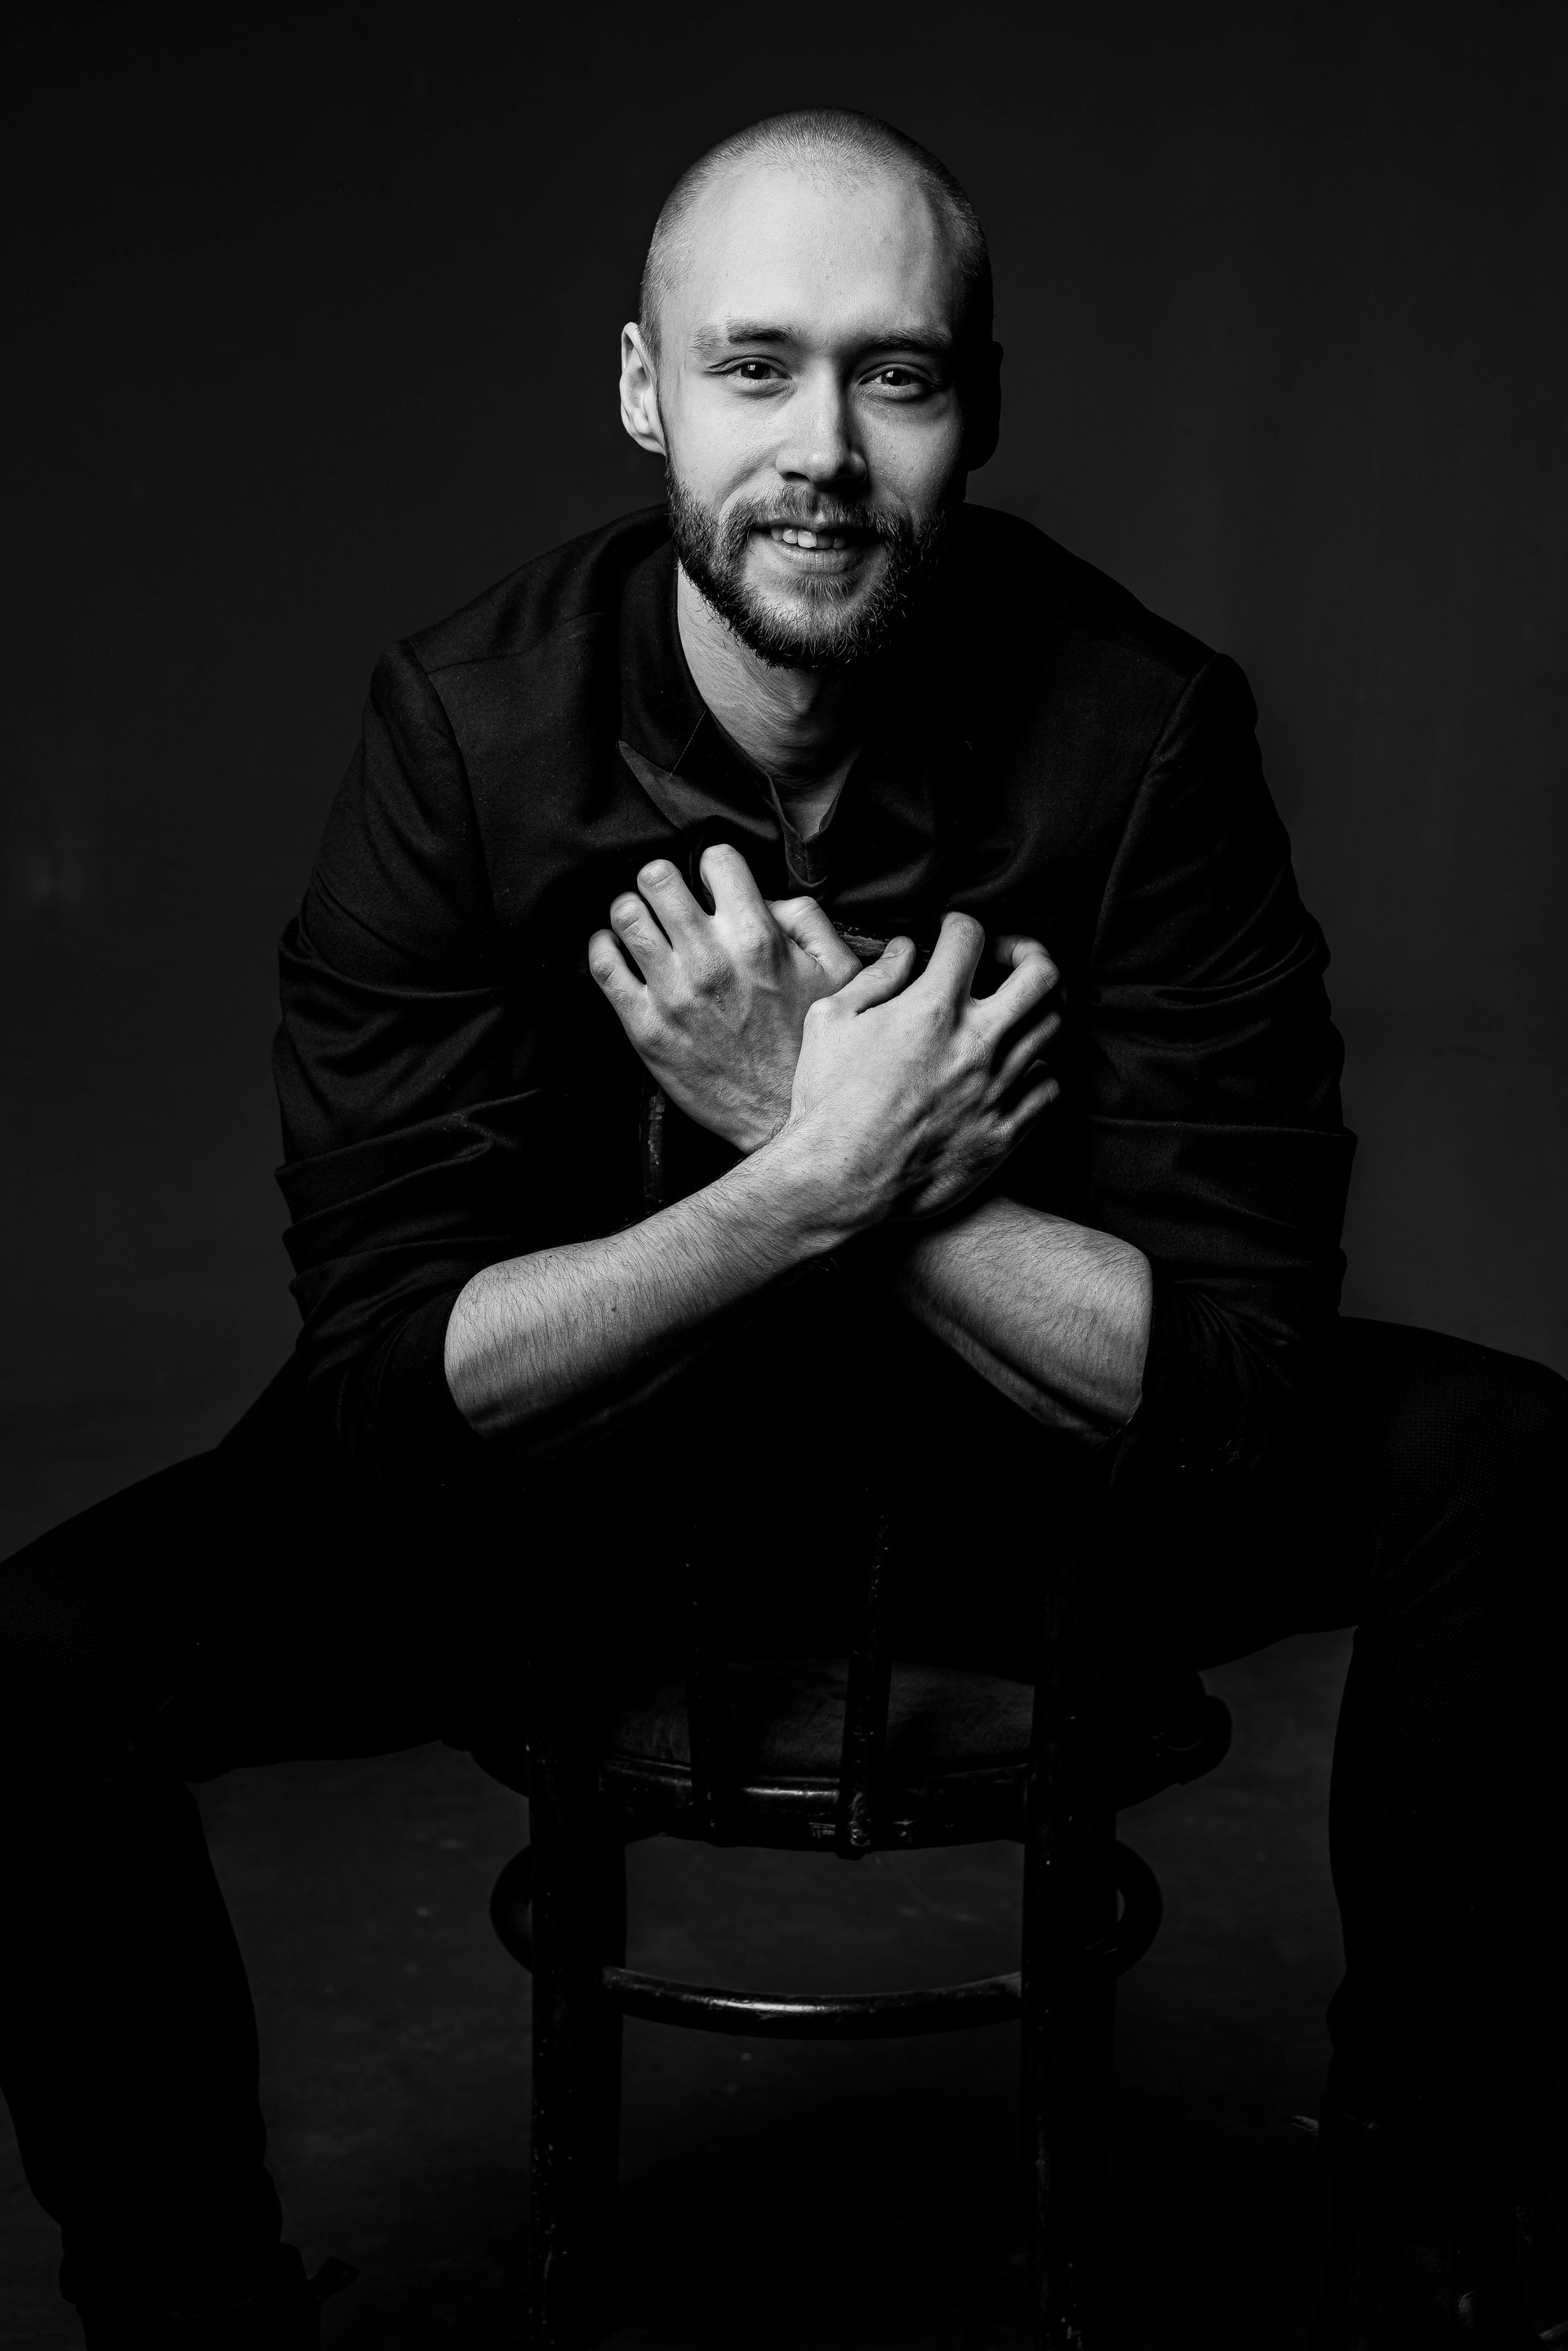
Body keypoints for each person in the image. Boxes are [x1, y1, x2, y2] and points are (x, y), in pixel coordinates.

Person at [1, 107, 1562, 2351]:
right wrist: (812, 1177)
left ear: (977, 409)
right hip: (586, 1522)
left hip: (1025, 1511)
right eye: (755, 367)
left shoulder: (1144, 731)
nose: (823, 448)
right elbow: (390, 1391)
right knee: (38, 1665)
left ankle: (1428, 2247)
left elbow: (1239, 1389)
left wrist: (822, 1137)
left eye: (892, 375)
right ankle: (195, 2325)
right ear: (650, 392)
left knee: (1505, 1464)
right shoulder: (467, 735)